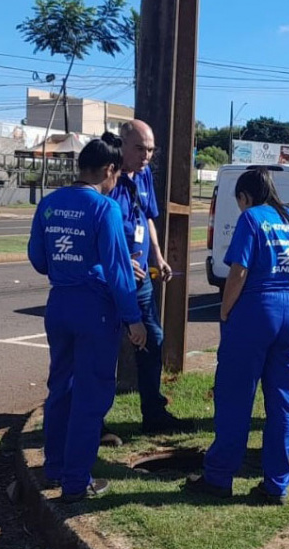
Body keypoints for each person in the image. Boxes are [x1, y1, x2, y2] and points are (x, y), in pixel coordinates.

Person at [184, 168, 289, 504]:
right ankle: (277, 484)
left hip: (256, 311)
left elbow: (238, 272)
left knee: (235, 397)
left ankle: (219, 477)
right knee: (284, 401)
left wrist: (225, 310)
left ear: (245, 197)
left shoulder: (252, 219)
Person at [27, 133, 147, 503]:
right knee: (91, 395)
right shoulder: (104, 208)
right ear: (109, 169)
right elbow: (117, 269)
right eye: (116, 175)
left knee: (61, 388)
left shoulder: (49, 204)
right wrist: (133, 318)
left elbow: (39, 259)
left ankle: (55, 467)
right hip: (94, 309)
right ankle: (77, 482)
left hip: (59, 304)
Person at [104, 119, 190, 443]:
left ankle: (153, 413)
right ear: (122, 144)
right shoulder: (108, 177)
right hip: (110, 279)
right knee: (104, 346)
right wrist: (120, 261)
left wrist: (158, 256)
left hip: (139, 280)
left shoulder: (144, 175)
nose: (146, 156)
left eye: (151, 150)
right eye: (140, 148)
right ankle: (95, 420)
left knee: (152, 338)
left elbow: (147, 217)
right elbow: (100, 227)